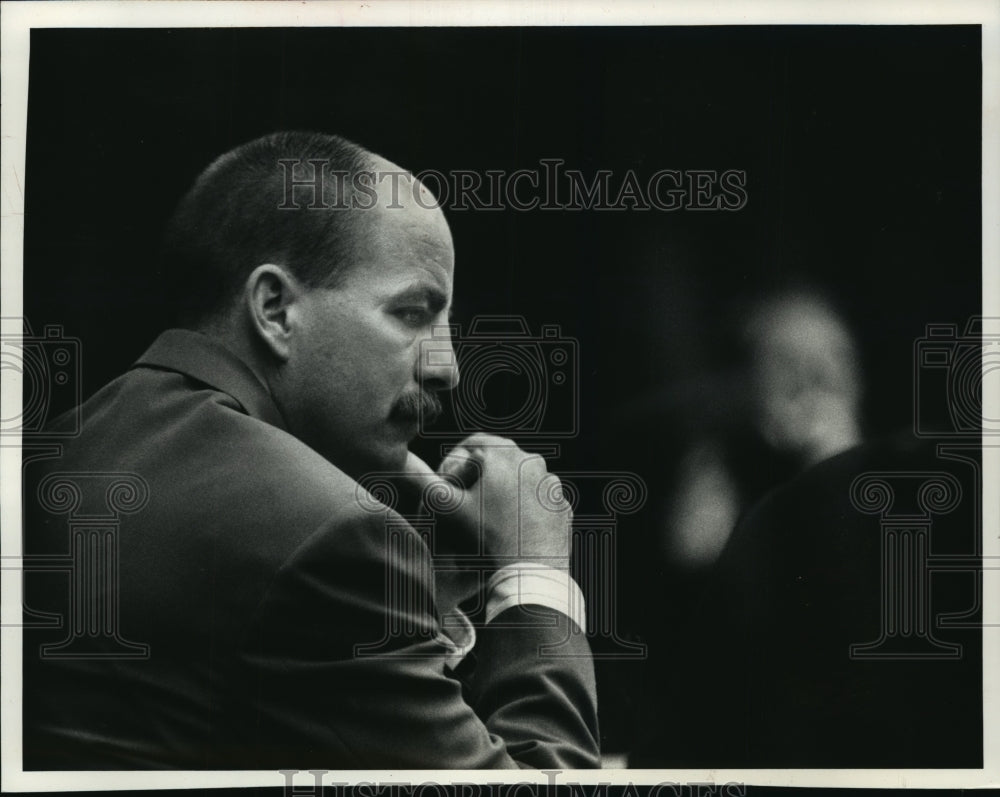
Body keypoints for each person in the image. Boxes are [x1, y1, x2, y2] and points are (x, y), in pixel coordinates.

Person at [22, 132, 599, 769]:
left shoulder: (56, 447)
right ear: (274, 309)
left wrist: (420, 606)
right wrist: (533, 572)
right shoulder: (332, 537)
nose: (449, 369)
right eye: (412, 312)